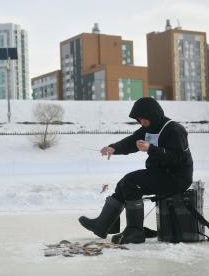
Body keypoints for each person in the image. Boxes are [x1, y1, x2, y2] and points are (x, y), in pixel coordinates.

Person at [79, 97, 193, 244]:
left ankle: (135, 231)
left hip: (177, 177)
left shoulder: (175, 130)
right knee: (123, 184)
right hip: (161, 174)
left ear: (153, 115)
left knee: (131, 182)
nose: (142, 122)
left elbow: (178, 157)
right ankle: (102, 225)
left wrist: (151, 149)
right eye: (139, 120)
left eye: (144, 119)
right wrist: (113, 148)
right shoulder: (148, 129)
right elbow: (131, 141)